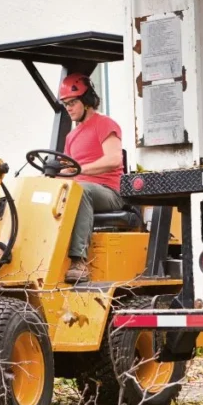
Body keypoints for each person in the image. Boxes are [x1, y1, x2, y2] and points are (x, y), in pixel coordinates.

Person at [57, 73, 125, 283]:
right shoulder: (71, 136)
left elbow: (114, 159)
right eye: (66, 104)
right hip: (81, 188)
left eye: (73, 102)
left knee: (80, 190)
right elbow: (69, 170)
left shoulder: (104, 124)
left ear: (86, 102)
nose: (68, 108)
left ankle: (79, 260)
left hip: (109, 192)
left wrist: (80, 171)